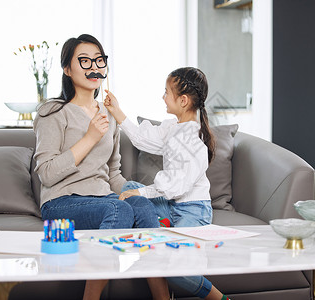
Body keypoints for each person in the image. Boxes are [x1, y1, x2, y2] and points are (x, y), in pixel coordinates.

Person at [32, 34, 162, 300]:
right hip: (61, 202)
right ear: (67, 69)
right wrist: (89, 138)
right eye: (84, 60)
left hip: (104, 198)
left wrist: (132, 191)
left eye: (99, 60)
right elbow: (46, 172)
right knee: (117, 207)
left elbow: (112, 172)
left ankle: (163, 296)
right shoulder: (53, 112)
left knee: (141, 206)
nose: (94, 66)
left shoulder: (108, 114)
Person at [104, 67, 230, 300]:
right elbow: (143, 139)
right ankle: (161, 227)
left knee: (174, 270)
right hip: (171, 203)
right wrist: (117, 111)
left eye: (166, 92)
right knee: (129, 188)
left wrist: (143, 193)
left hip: (192, 208)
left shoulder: (194, 139)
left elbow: (175, 186)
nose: (163, 97)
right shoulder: (173, 127)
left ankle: (220, 298)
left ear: (183, 100)